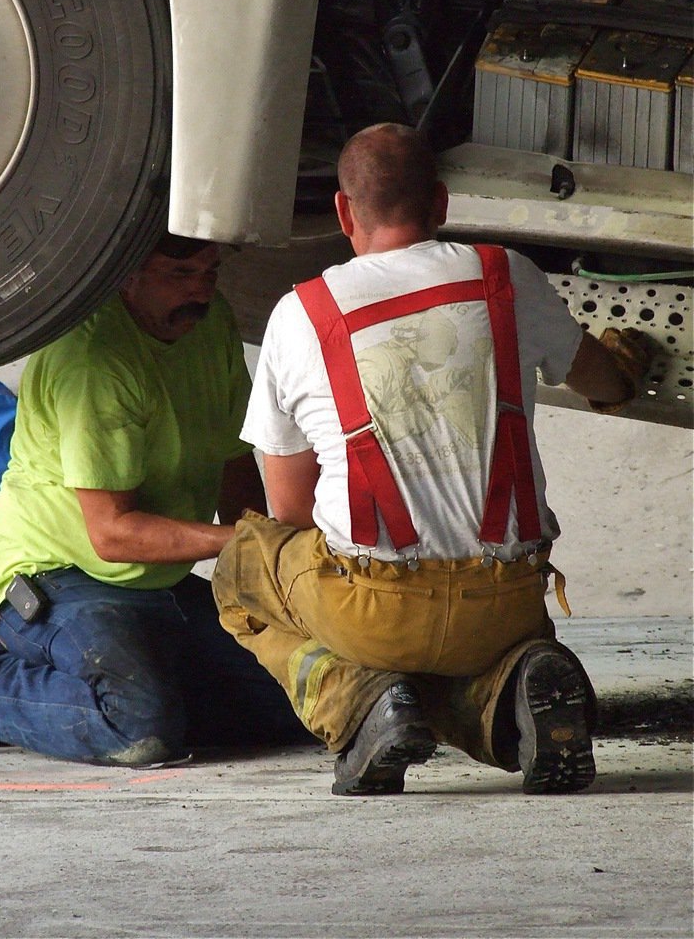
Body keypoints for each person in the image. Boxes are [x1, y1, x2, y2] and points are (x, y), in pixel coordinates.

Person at [212, 123, 653, 796]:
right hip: (503, 603)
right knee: (470, 650)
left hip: (370, 608)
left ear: (342, 210)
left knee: (243, 564)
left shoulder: (301, 316)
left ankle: (359, 701)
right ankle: (516, 685)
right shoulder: (508, 277)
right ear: (442, 205)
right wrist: (628, 363)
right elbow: (606, 381)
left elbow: (291, 514)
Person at [0, 234, 307, 766]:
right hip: (59, 574)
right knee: (140, 728)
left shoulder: (210, 322)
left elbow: (233, 459)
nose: (201, 292)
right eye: (179, 276)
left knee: (303, 704)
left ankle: (129, 699)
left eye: (209, 274)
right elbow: (113, 534)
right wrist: (254, 540)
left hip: (154, 579)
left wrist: (267, 574)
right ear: (125, 273)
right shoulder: (95, 358)